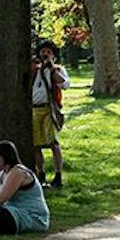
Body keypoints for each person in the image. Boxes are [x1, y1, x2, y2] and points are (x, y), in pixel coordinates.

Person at [30, 40, 67, 187]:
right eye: (43, 51)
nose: (45, 54)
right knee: (36, 145)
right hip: (34, 110)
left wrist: (51, 68)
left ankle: (58, 175)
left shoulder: (57, 69)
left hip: (48, 110)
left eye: (48, 52)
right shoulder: (34, 68)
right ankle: (41, 174)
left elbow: (64, 84)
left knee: (53, 143)